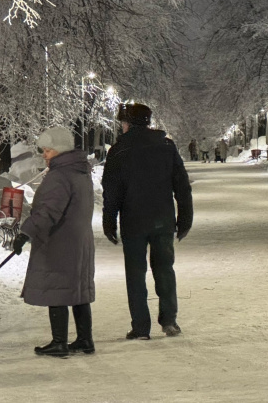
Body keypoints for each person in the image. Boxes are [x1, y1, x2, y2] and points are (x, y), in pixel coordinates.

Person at [101, 104, 193, 340]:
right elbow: (181, 185)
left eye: (123, 122)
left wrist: (109, 222)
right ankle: (169, 321)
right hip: (162, 220)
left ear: (128, 123)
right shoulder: (166, 146)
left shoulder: (119, 150)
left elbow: (112, 192)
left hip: (133, 222)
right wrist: (185, 218)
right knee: (164, 270)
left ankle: (141, 327)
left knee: (135, 274)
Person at [11, 126, 96, 357]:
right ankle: (85, 339)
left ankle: (60, 342)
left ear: (59, 150)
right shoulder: (80, 171)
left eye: (48, 150)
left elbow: (47, 212)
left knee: (57, 288)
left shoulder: (59, 176)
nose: (44, 155)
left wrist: (25, 233)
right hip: (79, 239)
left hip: (60, 241)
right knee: (77, 290)